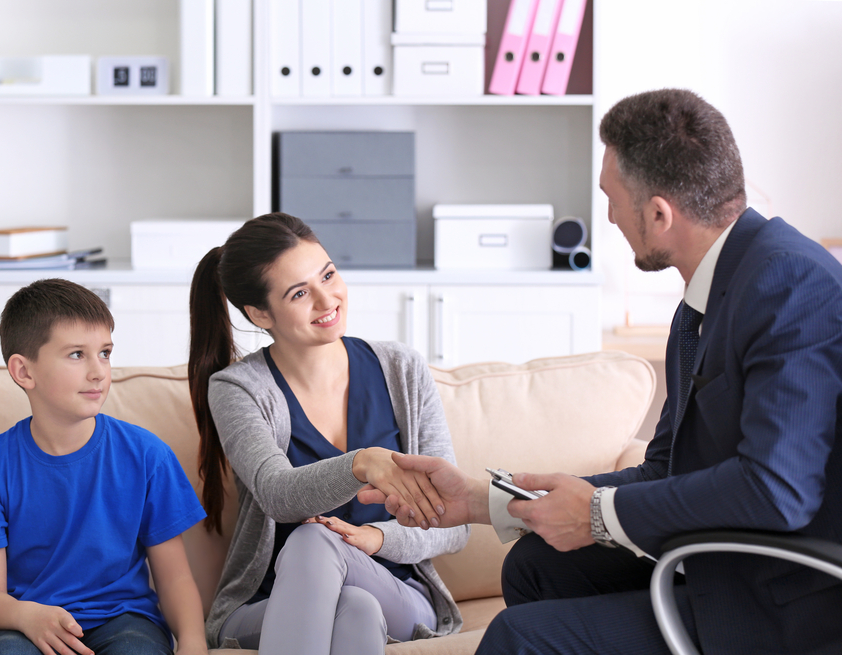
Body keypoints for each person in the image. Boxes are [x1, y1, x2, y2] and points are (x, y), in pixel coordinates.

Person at [361, 88, 842, 654]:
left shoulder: (790, 285)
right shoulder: (710, 296)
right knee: (535, 566)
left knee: (519, 639)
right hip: (725, 557)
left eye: (611, 200)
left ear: (659, 213)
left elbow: (776, 490)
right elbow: (667, 467)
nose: (608, 216)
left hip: (788, 600)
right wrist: (484, 499)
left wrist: (597, 514)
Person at [187, 212, 470, 654]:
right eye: (300, 292)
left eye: (329, 275)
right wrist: (362, 464)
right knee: (354, 607)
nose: (327, 300)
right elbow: (277, 495)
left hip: (396, 591)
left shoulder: (401, 369)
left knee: (319, 542)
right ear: (260, 313)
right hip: (269, 600)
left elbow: (454, 524)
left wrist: (378, 539)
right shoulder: (238, 388)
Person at [0, 278, 209, 655]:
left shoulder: (148, 456)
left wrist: (193, 642)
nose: (98, 371)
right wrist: (26, 618)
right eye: (76, 355)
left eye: (104, 352)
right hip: (25, 624)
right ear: (24, 372)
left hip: (125, 620)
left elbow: (175, 578)